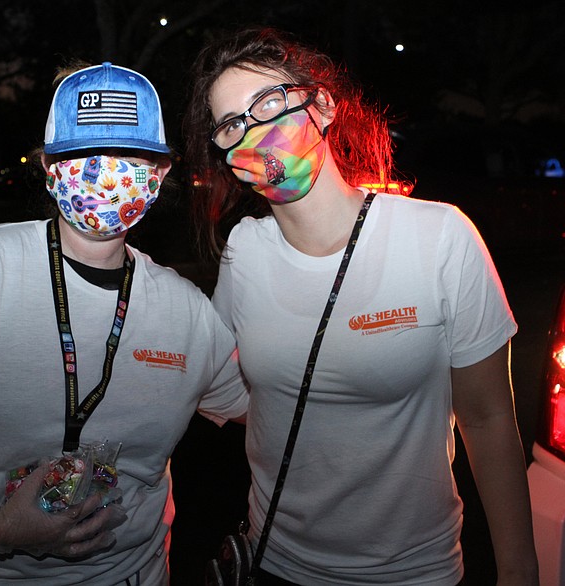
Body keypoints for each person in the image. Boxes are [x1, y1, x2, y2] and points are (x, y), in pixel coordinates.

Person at [0, 61, 248, 585]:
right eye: (85, 155)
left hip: (127, 573)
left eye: (129, 156)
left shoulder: (187, 310)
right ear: (49, 167)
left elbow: (271, 405)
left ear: (159, 174)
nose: (107, 172)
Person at [182, 27, 540, 585]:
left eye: (269, 103)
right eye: (231, 124)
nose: (254, 131)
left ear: (321, 105)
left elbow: (489, 417)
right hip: (276, 563)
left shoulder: (440, 236)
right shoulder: (244, 251)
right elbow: (218, 379)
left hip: (413, 573)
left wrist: (519, 568)